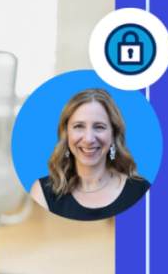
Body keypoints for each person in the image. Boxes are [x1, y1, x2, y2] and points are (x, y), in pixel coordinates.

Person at [29, 88, 150, 221]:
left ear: (113, 134)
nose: (89, 139)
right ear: (66, 133)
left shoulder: (141, 191)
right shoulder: (42, 192)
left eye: (99, 127)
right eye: (79, 126)